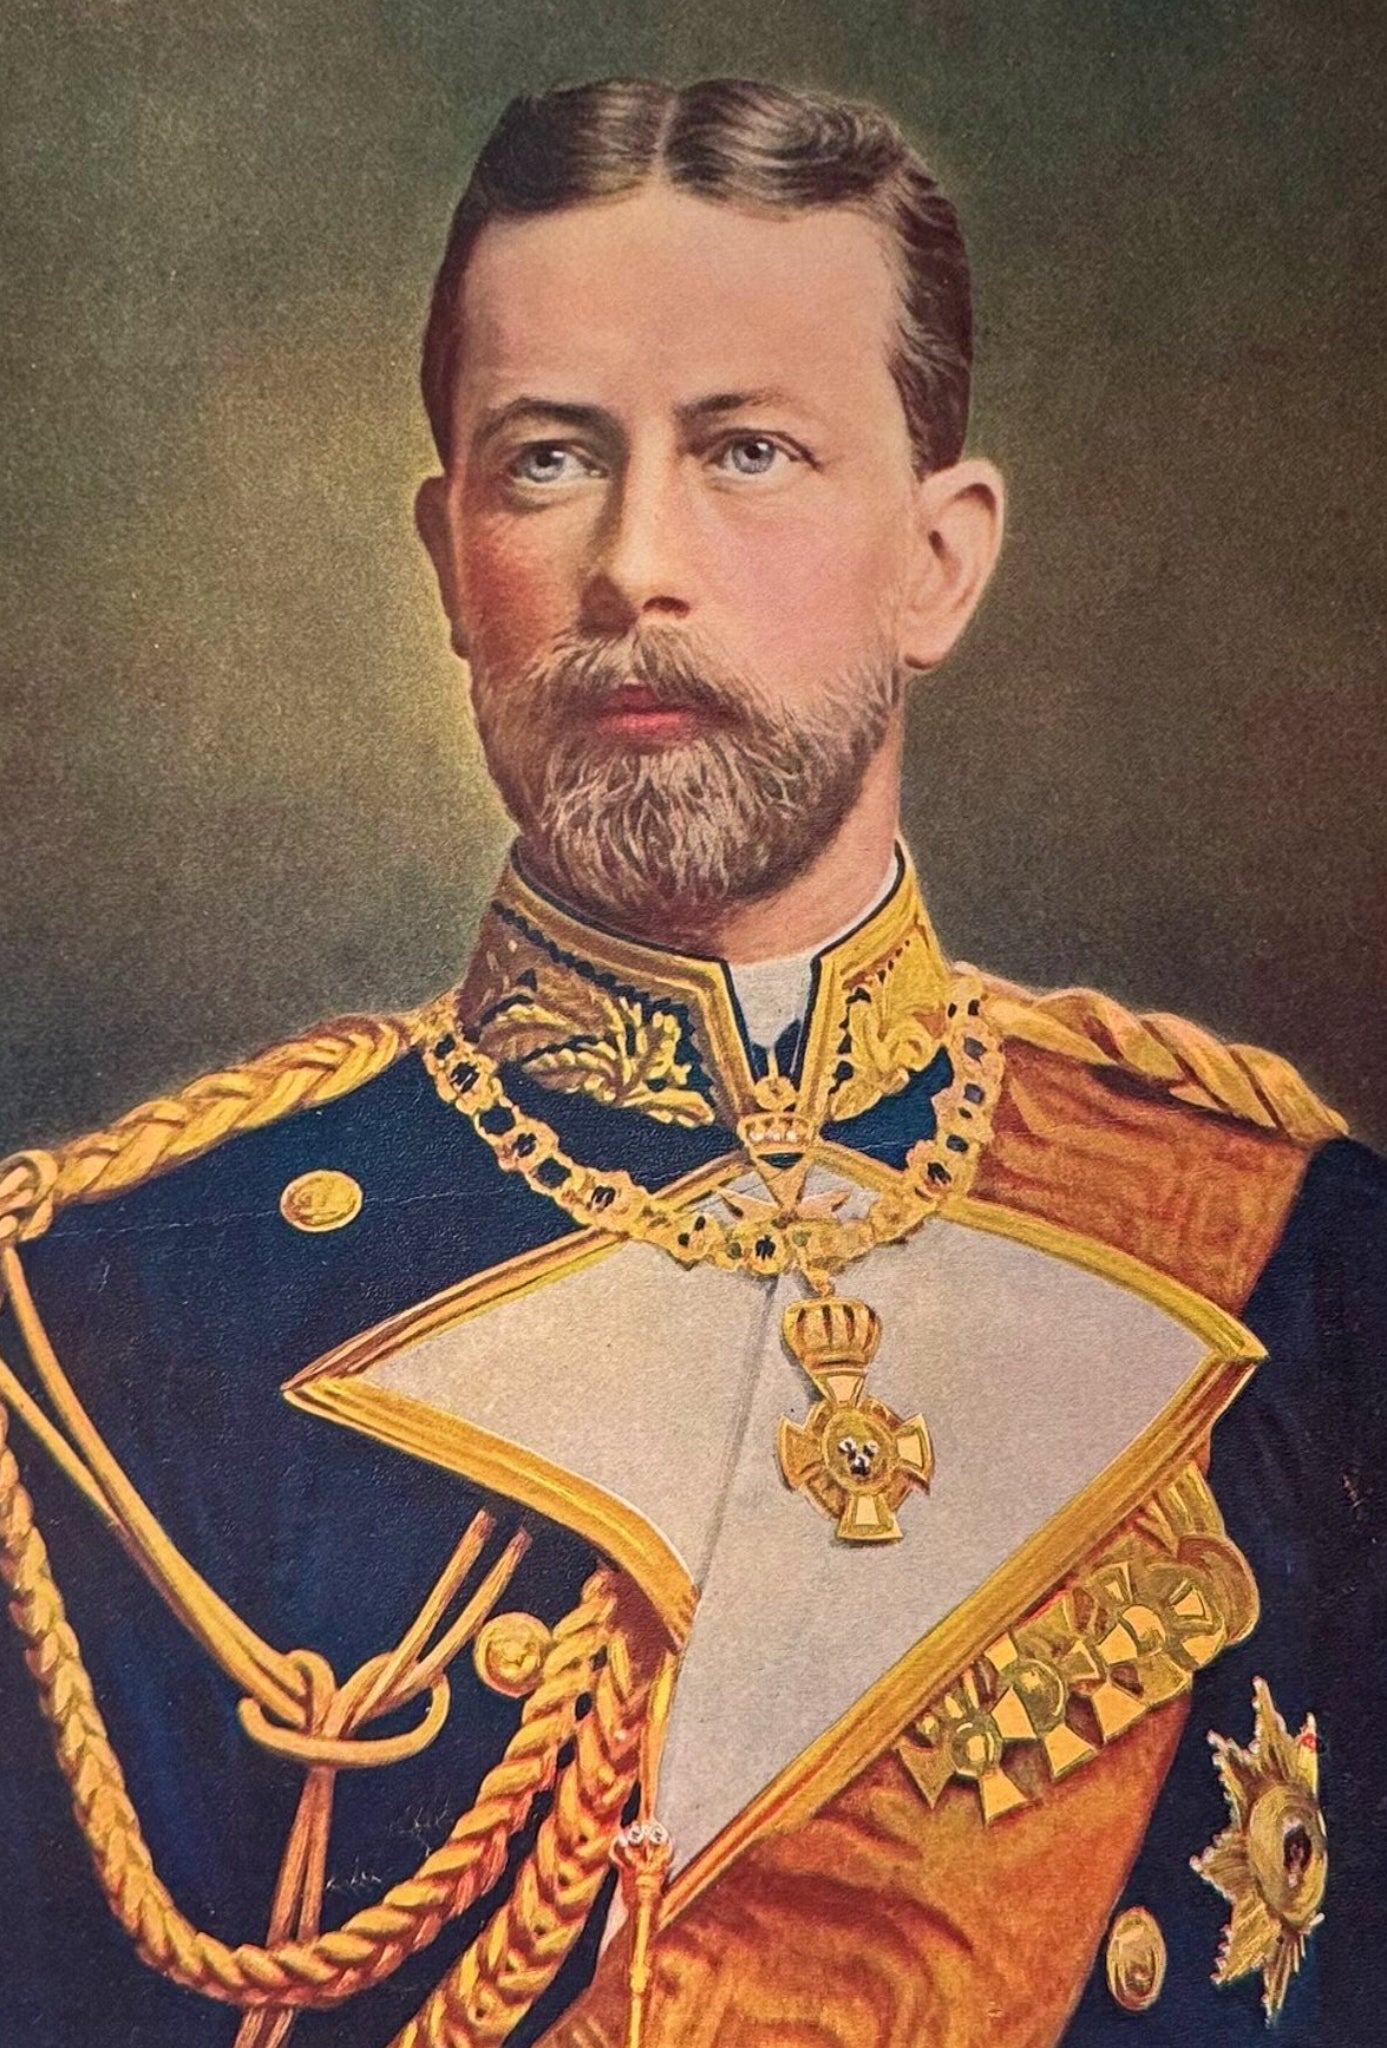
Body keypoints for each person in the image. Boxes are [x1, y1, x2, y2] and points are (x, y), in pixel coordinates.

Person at [0, 75, 1382, 2048]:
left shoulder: (1310, 1270)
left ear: (940, 559)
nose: (636, 562)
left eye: (749, 452)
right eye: (548, 460)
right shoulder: (97, 1331)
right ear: (443, 553)